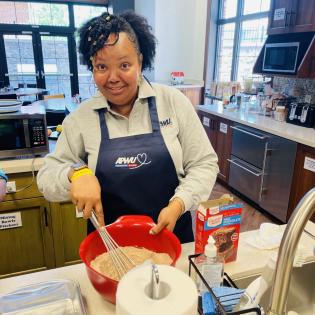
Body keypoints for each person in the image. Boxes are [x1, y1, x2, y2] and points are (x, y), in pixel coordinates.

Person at [37, 11, 218, 243]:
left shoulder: (172, 102)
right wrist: (74, 174)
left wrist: (179, 202)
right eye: (102, 67)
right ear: (91, 66)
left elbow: (204, 163)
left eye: (124, 65)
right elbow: (47, 178)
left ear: (140, 61)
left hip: (172, 240)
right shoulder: (80, 119)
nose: (113, 78)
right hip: (110, 251)